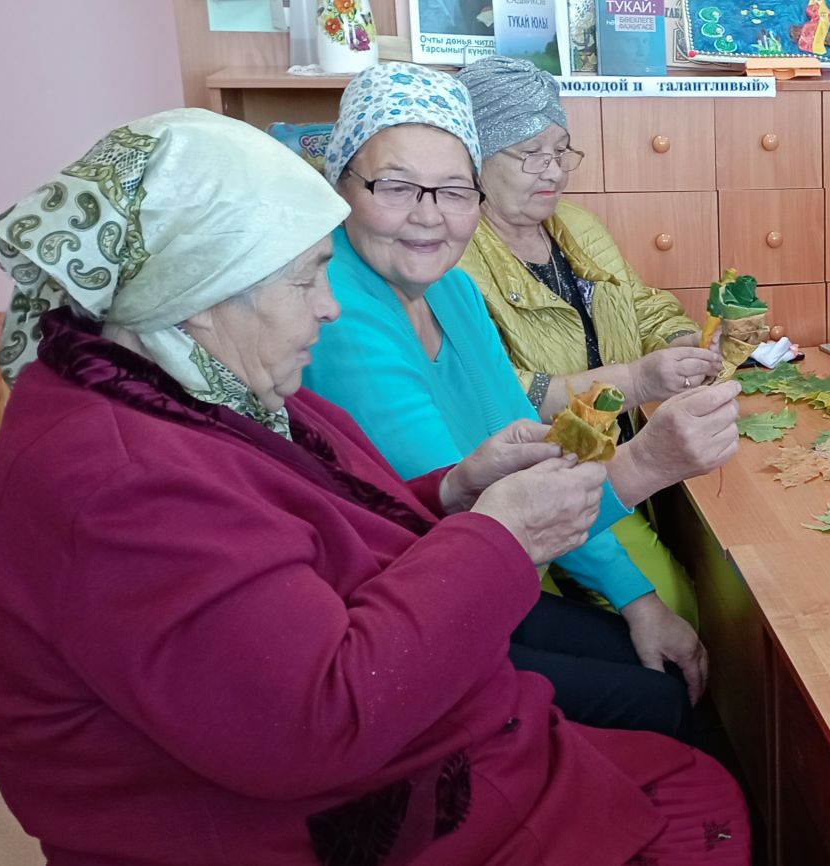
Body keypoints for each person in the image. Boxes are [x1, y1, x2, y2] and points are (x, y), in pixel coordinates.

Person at [0, 108, 749, 865]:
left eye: (455, 191)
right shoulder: (125, 483)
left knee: (677, 763)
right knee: (688, 797)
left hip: (408, 717)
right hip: (316, 816)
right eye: (304, 279)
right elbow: (313, 723)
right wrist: (508, 531)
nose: (328, 303)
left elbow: (335, 527)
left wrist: (454, 490)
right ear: (204, 292)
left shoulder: (203, 389)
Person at [301, 63, 740, 738]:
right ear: (342, 186)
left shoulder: (452, 291)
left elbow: (531, 461)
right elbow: (478, 520)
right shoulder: (338, 313)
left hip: (483, 580)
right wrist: (649, 460)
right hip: (395, 620)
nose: (428, 216)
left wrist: (637, 599)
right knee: (660, 702)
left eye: (452, 192)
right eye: (395, 186)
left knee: (665, 666)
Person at [455, 56, 715, 625]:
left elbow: (639, 304)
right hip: (529, 485)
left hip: (614, 461)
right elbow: (504, 393)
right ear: (473, 159)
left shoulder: (576, 226)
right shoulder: (455, 257)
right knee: (673, 614)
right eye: (530, 155)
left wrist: (679, 337)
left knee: (691, 600)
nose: (553, 171)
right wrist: (640, 379)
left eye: (561, 152)